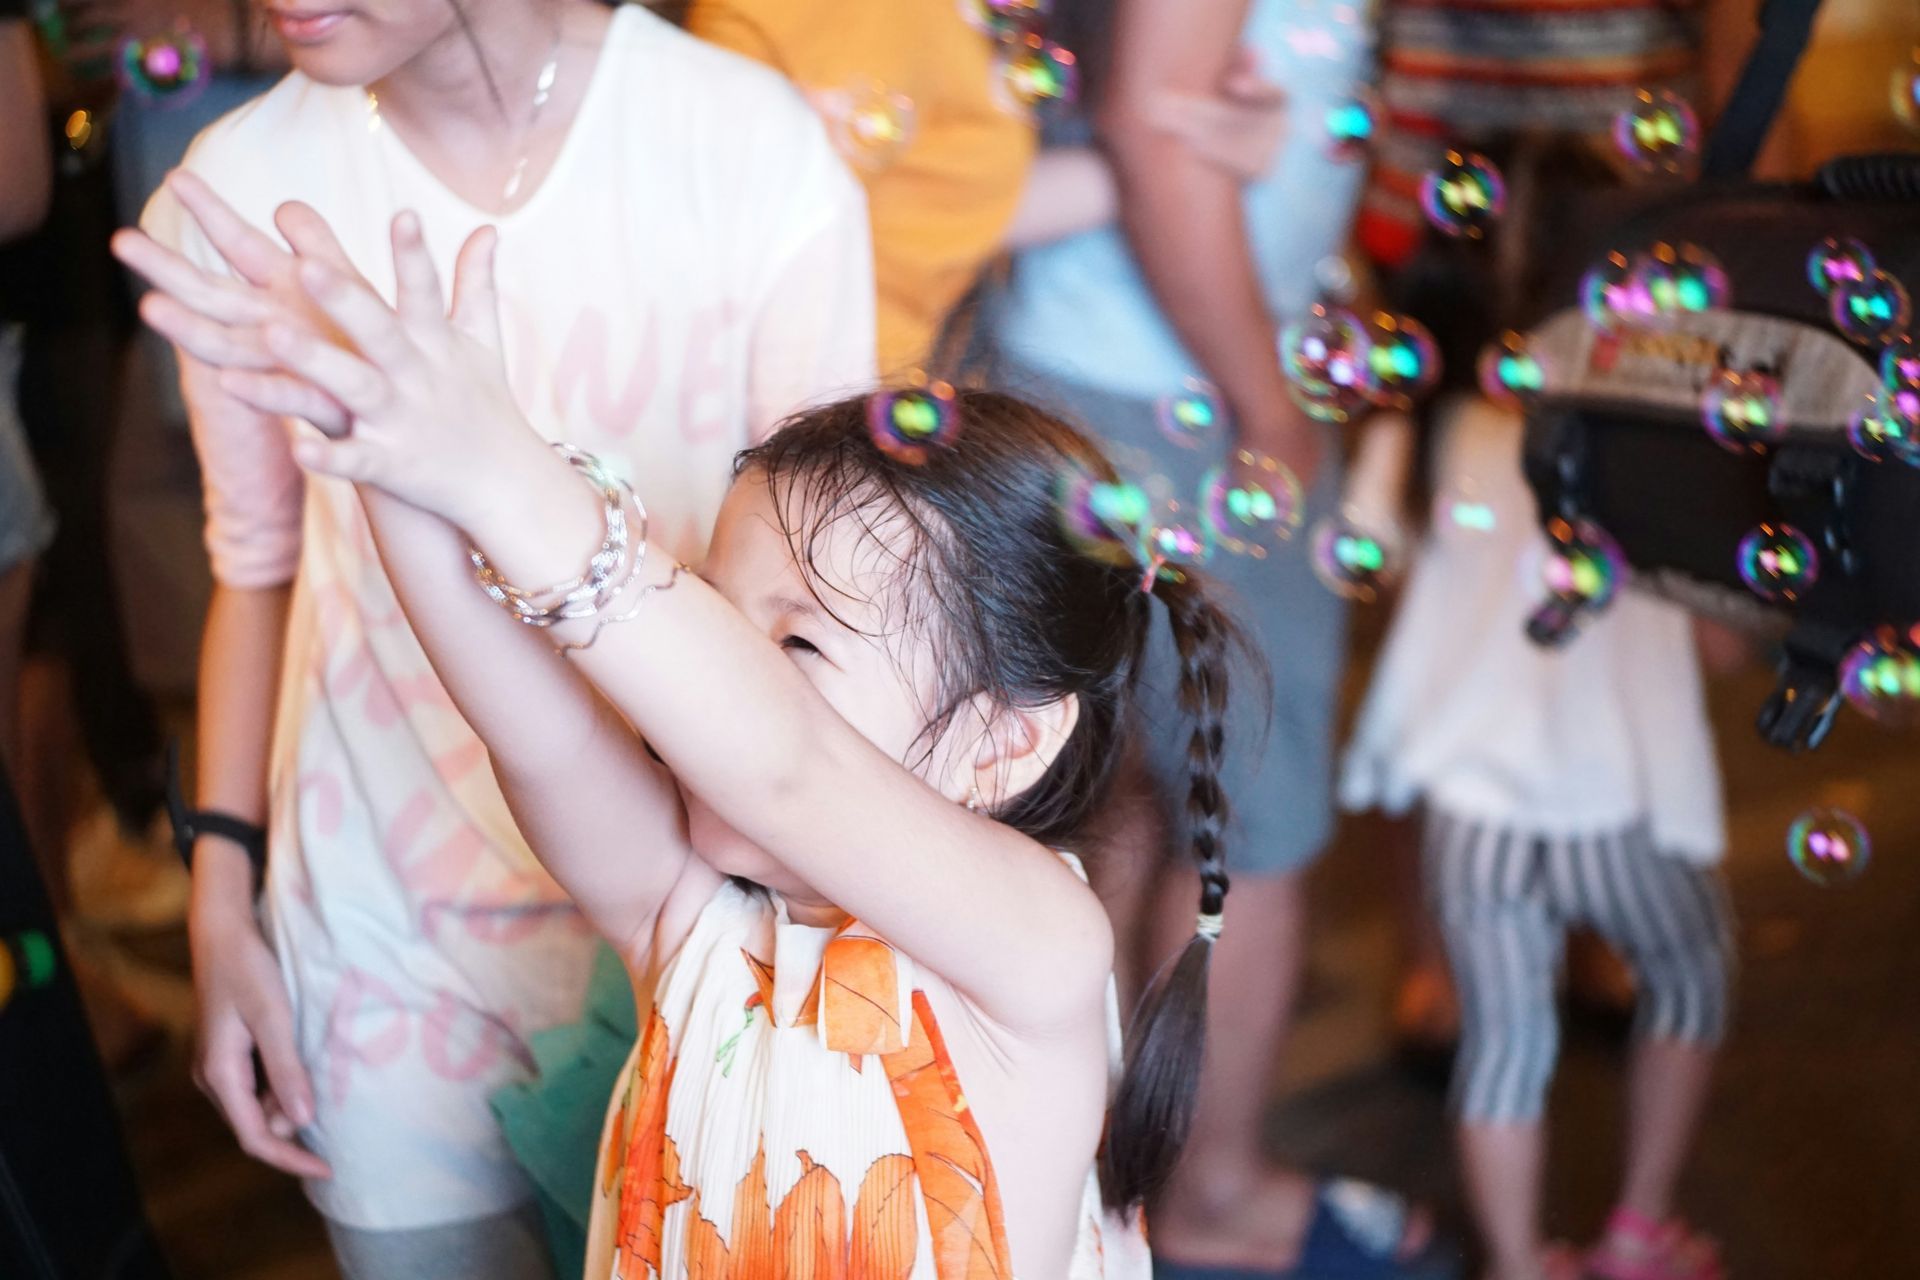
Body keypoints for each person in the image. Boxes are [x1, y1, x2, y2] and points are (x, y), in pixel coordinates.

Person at [123, 193, 1242, 1272]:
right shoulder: (692, 917)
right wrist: (399, 464)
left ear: (1002, 744)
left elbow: (787, 766)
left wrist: (499, 468)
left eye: (797, 645)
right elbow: (542, 736)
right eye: (711, 616)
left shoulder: (1037, 941)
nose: (699, 681)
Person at [110, 0, 874, 1272]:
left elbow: (821, 608)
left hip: (699, 924)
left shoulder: (747, 149)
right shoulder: (236, 190)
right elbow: (254, 570)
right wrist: (222, 888)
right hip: (378, 932)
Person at [990, 1, 1454, 1276]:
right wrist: (1269, 401)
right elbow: (1152, 122)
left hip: (1142, 377)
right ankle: (1210, 1197)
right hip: (1176, 398)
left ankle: (1101, 1173)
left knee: (1130, 796)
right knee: (1247, 813)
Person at [1340, 139, 1736, 1280]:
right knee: (1692, 976)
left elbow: (1371, 559)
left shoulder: (1421, 427)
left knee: (1502, 1044)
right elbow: (1714, 645)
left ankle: (1518, 1261)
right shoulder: (1662, 433)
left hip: (1471, 805)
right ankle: (1636, 1226)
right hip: (1621, 804)